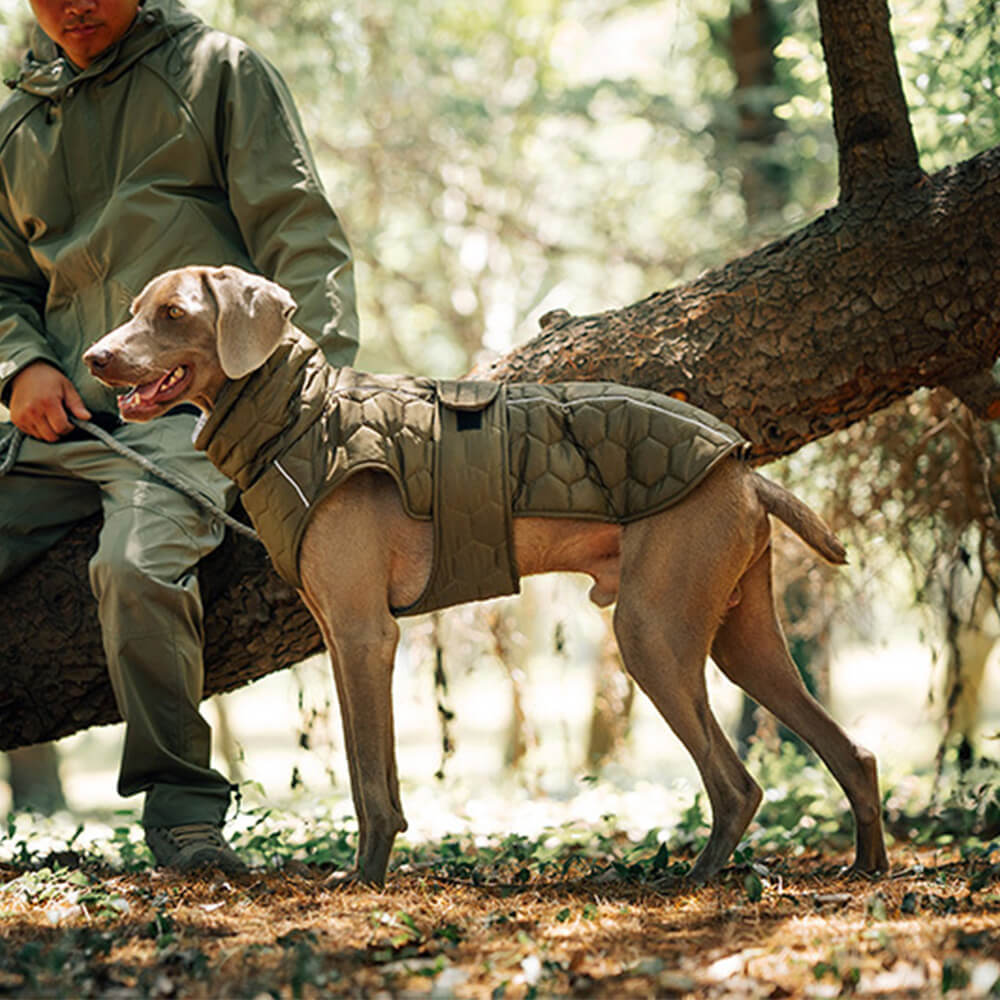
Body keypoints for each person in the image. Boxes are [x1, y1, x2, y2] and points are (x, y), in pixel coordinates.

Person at [0, 0, 358, 873]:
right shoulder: (13, 110)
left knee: (137, 566)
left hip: (191, 420)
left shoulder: (219, 73)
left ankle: (184, 819)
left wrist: (303, 402)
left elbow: (301, 241)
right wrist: (18, 367)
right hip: (59, 415)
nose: (73, 6)